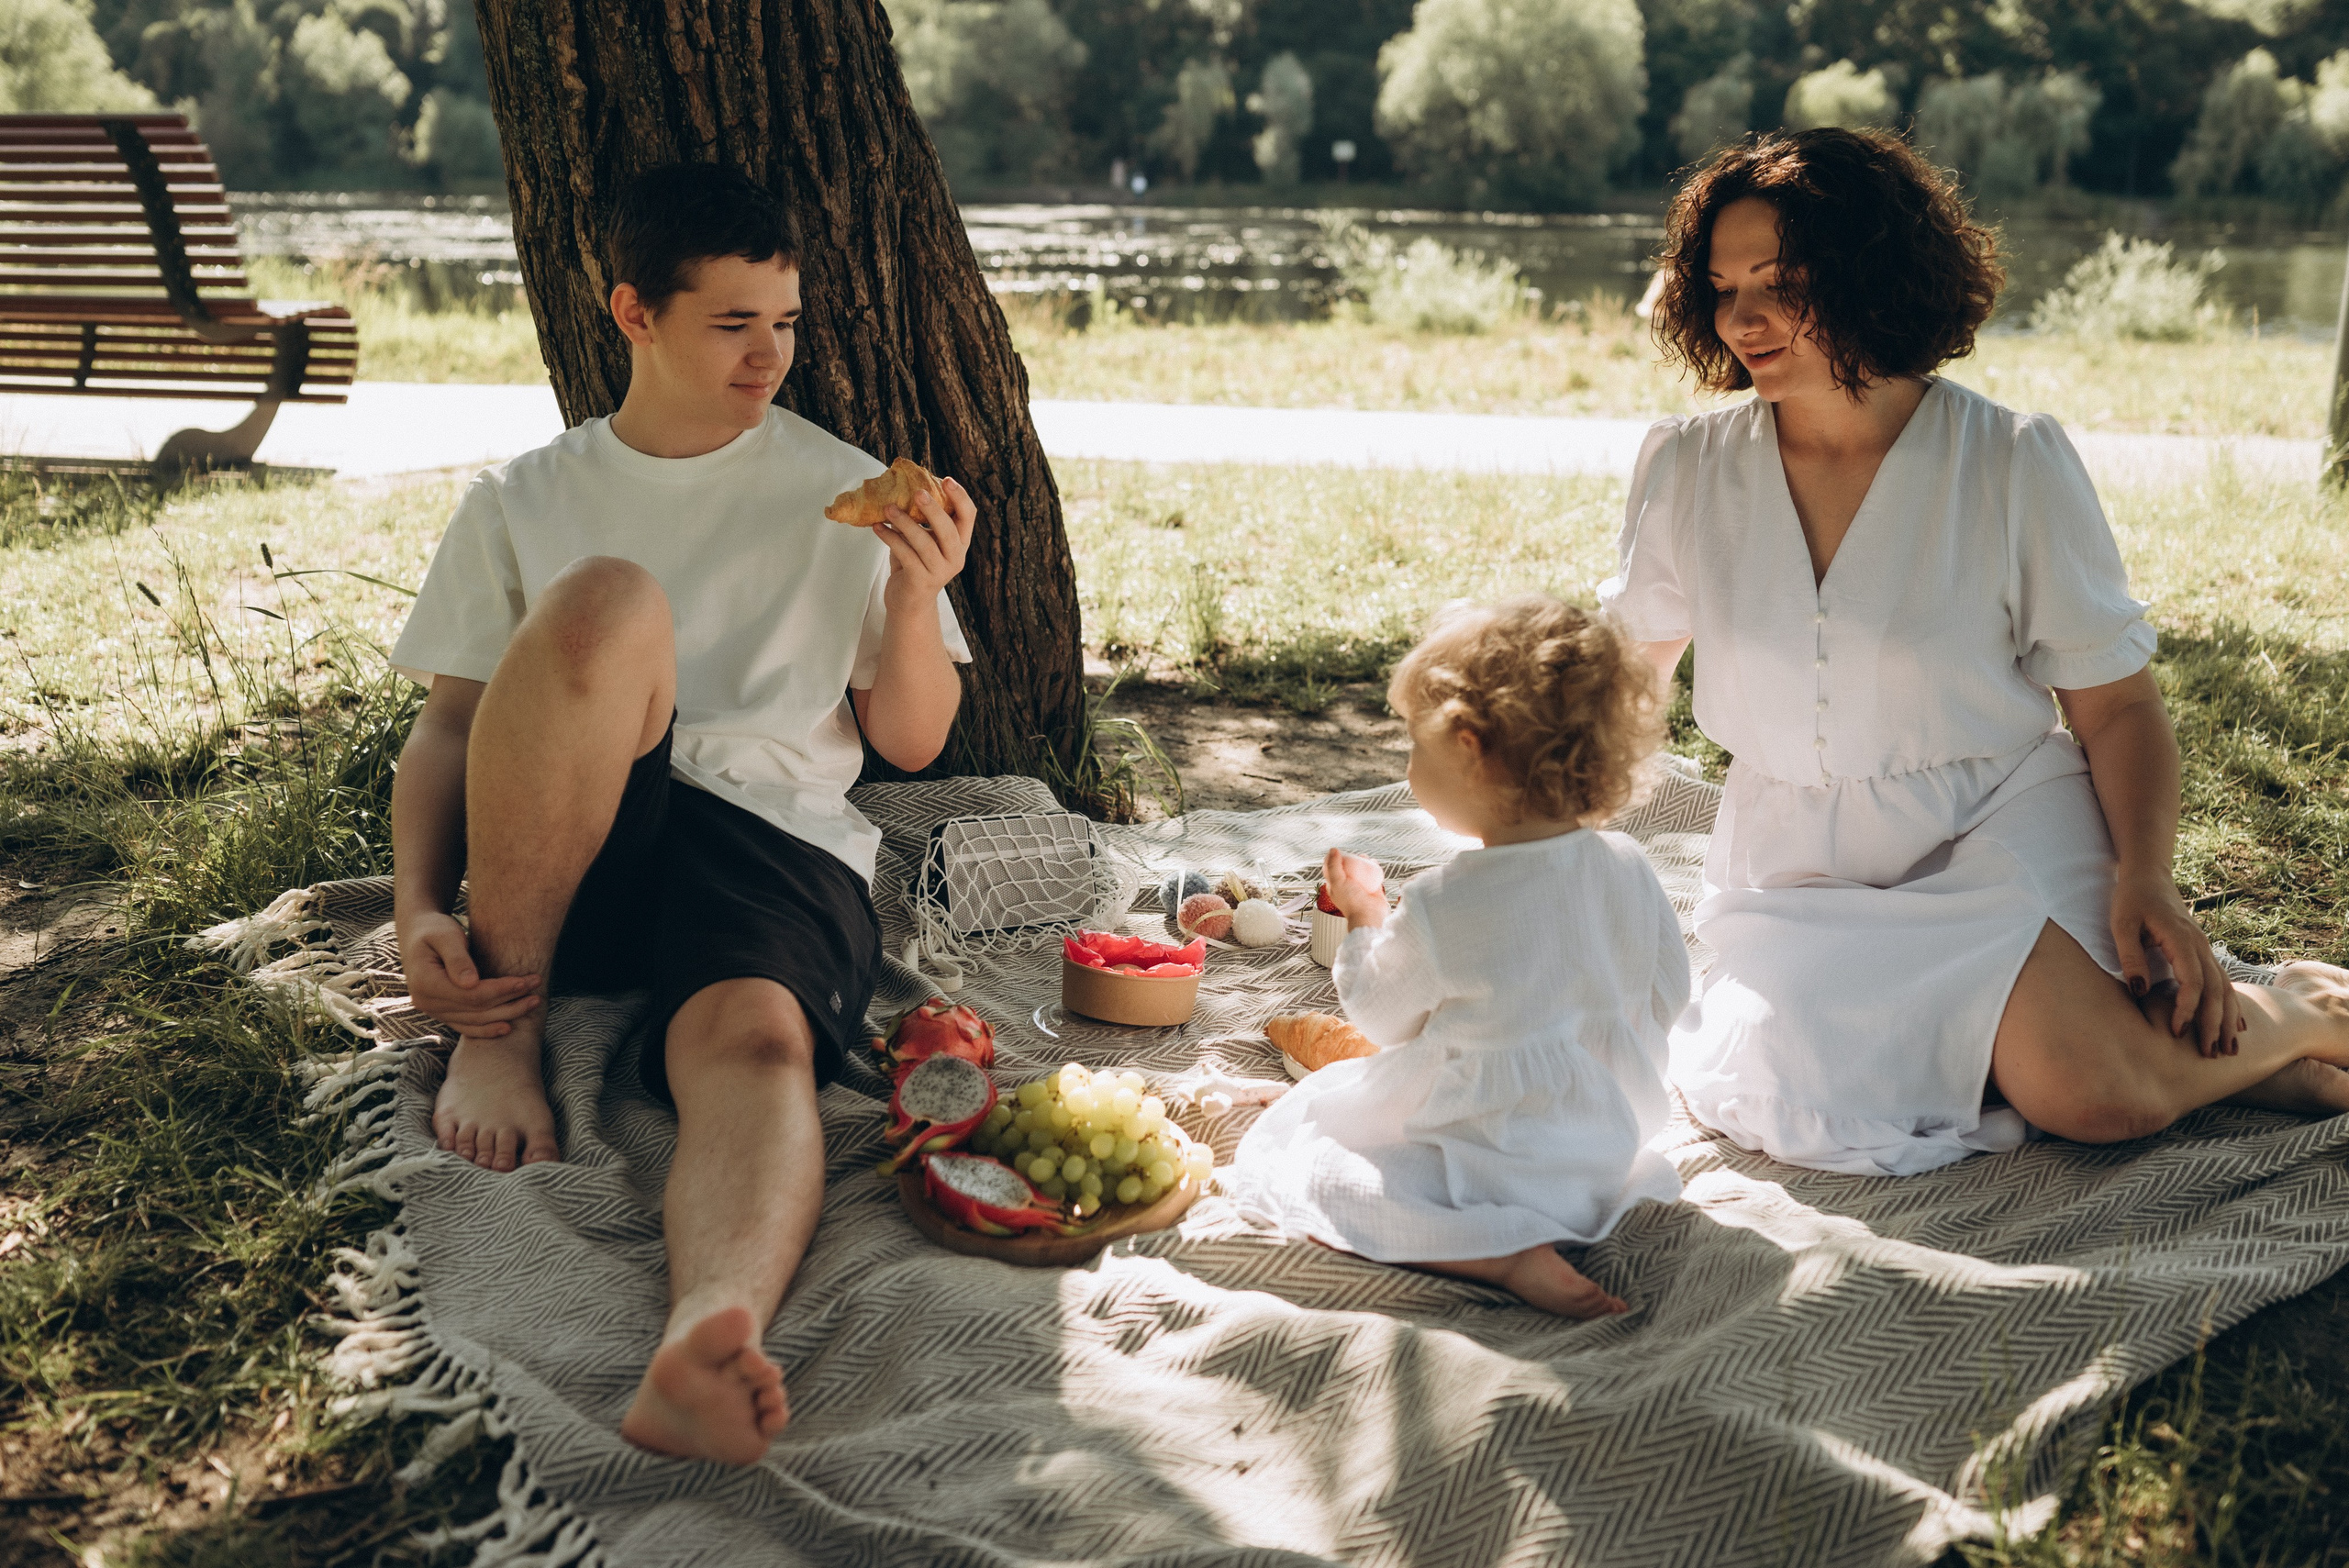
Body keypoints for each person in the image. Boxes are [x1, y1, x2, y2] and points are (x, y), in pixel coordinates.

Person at [1609, 128, 2349, 1177]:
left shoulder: (2008, 461)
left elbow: (2117, 709)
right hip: (1794, 865)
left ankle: (2304, 1011)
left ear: (1874, 276)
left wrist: (2148, 877)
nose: (1743, 318)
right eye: (1723, 287)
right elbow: (1620, 683)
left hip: (1995, 824)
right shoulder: (1684, 467)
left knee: (2091, 1095)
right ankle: (2234, 1055)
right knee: (1792, 1095)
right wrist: (1526, 829)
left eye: (1783, 282)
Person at [385, 162, 975, 1463]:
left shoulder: (853, 492)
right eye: (732, 323)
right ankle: (504, 1021)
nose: (770, 355)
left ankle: (709, 1332)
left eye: (788, 323)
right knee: (607, 599)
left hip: (775, 837)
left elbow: (912, 744)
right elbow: (448, 730)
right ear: (633, 314)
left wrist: (917, 597)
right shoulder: (524, 498)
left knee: (761, 1051)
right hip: (570, 839)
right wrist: (423, 908)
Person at [1225, 595, 1688, 1318]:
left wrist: (1366, 915)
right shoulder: (1630, 863)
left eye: (1414, 744)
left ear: (1468, 746)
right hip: (1600, 1145)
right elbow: (1669, 990)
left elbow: (1381, 1016)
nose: (1408, 769)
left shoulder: (1450, 901)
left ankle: (1499, 1252)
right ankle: (1542, 1227)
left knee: (1313, 1161)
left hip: (1482, 1154)